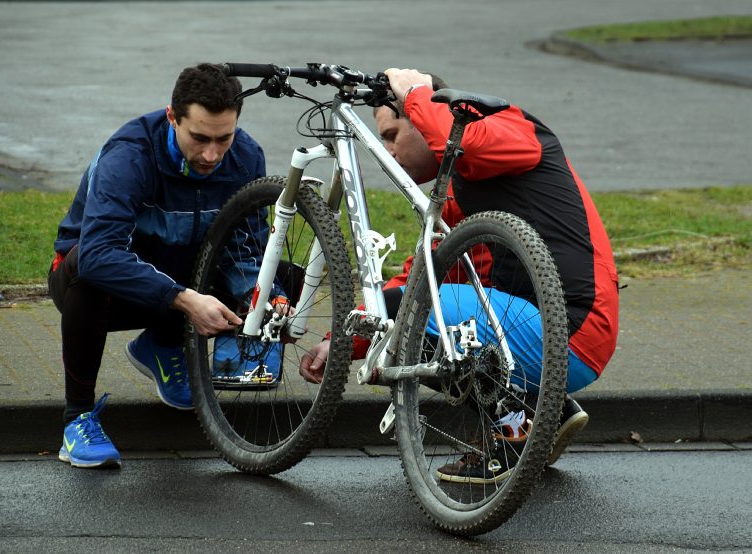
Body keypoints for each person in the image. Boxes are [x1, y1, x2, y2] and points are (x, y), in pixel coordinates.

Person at [300, 68, 620, 482]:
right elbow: (423, 276)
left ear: (421, 117)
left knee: (412, 318)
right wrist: (344, 341)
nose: (388, 152)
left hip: (572, 333)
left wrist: (416, 94)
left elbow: (466, 142)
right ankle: (545, 411)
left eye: (393, 135)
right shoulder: (458, 191)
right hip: (538, 333)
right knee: (399, 337)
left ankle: (514, 431)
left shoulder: (509, 128)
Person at [48, 63, 270, 469]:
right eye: (199, 138)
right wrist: (184, 300)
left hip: (175, 278)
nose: (211, 155)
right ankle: (75, 419)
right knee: (87, 269)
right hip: (95, 284)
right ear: (173, 117)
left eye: (224, 138)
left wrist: (268, 302)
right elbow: (99, 254)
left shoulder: (247, 156)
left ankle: (161, 345)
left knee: (280, 276)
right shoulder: (130, 155)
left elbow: (247, 248)